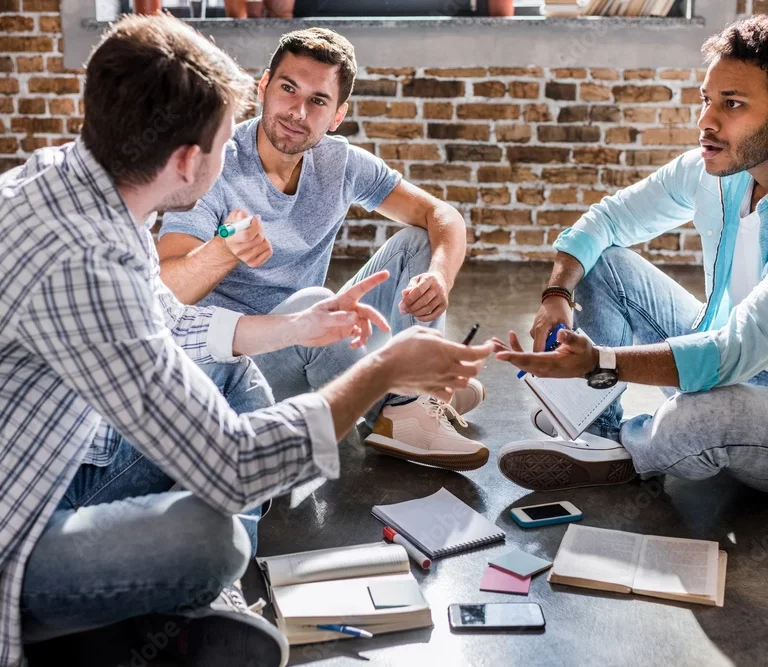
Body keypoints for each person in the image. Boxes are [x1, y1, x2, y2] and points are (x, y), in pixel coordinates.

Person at [0, 15, 493, 666]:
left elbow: (172, 323)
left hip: (70, 444)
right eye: (221, 137)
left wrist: (299, 326)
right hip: (23, 524)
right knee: (214, 540)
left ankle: (182, 604)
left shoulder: (77, 186)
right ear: (185, 160)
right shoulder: (89, 262)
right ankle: (178, 603)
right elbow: (229, 467)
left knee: (238, 372)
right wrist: (383, 369)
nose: (237, 141)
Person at [156, 27, 490, 472]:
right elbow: (166, 290)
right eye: (288, 89)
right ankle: (407, 406)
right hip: (237, 366)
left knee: (418, 243)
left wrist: (440, 277)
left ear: (336, 116)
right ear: (263, 88)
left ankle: (413, 399)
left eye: (317, 100)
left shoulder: (340, 162)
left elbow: (442, 216)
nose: (297, 111)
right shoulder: (216, 162)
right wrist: (224, 249)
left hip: (309, 335)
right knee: (319, 304)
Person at [493, 15, 768, 495]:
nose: (705, 120)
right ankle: (596, 432)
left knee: (699, 417)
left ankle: (630, 451)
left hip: (753, 404)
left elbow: (733, 354)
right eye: (707, 99)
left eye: (733, 104)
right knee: (602, 263)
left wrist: (601, 361)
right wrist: (557, 292)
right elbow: (608, 219)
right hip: (722, 355)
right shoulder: (716, 171)